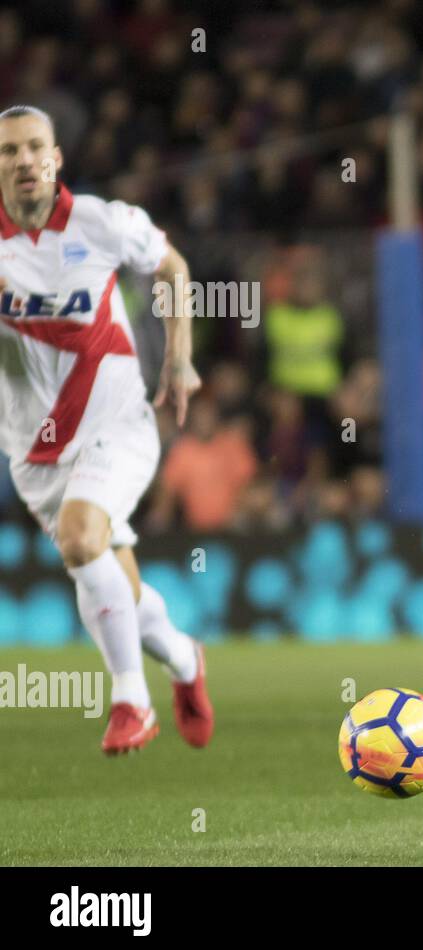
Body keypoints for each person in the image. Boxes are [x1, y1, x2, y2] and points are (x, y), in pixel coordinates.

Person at [0, 104, 212, 755]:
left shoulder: (101, 222)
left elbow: (172, 268)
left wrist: (179, 355)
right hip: (34, 451)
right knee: (112, 579)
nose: (24, 160)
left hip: (117, 423)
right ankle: (184, 659)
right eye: (9, 152)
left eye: (36, 147)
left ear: (57, 157)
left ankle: (131, 701)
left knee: (80, 537)